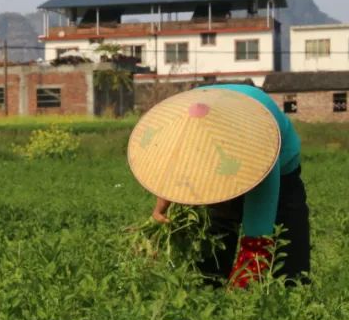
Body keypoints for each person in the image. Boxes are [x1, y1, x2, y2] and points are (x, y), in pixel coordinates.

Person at [128, 84, 310, 287]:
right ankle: (210, 291)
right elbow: (176, 165)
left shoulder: (260, 139)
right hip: (221, 154)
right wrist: (162, 206)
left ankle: (285, 293)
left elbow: (259, 233)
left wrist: (246, 277)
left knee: (290, 268)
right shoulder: (186, 121)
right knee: (211, 255)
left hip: (279, 171)